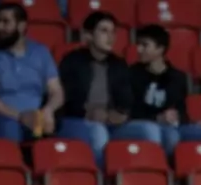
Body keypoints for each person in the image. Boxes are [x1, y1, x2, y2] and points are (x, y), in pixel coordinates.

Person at [57, 10, 162, 166]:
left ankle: (148, 175)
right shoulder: (72, 61)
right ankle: (102, 178)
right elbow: (65, 100)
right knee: (98, 132)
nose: (111, 37)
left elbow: (127, 101)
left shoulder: (119, 64)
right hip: (76, 121)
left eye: (113, 32)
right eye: (104, 31)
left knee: (150, 130)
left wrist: (121, 114)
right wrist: (88, 113)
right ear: (89, 35)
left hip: (111, 123)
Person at [130, 24, 201, 158]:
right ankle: (165, 169)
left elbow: (181, 110)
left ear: (160, 49)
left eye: (145, 45)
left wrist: (178, 118)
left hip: (175, 127)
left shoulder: (177, 77)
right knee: (171, 136)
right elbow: (130, 112)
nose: (139, 49)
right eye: (139, 44)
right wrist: (157, 118)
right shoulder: (132, 74)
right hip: (148, 125)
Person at [0, 1, 63, 142]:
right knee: (9, 128)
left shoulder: (41, 52)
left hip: (37, 117)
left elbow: (57, 91)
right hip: (6, 116)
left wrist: (48, 110)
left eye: (5, 22)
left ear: (21, 26)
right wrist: (20, 116)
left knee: (50, 128)